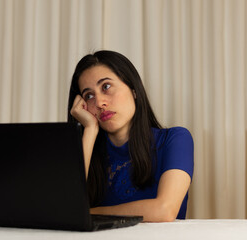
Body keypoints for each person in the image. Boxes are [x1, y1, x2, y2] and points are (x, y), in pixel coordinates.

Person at [67, 50, 194, 222]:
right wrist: (89, 130)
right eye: (89, 96)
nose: (99, 103)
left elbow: (164, 210)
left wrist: (88, 212)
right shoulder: (88, 152)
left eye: (106, 87)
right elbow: (65, 209)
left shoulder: (175, 139)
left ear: (134, 90)